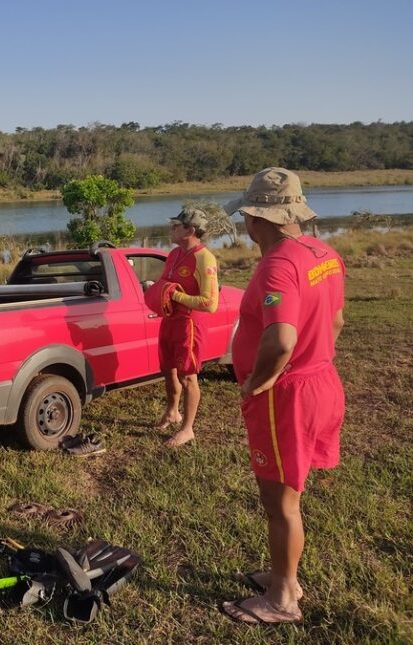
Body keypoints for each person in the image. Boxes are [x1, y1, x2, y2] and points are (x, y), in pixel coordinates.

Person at [221, 168, 345, 625]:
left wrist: (260, 380)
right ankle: (283, 575)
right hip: (321, 381)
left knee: (279, 503)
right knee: (288, 495)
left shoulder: (278, 264)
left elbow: (281, 339)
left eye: (247, 217)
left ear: (257, 217)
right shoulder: (323, 252)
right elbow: (336, 322)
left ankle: (281, 599)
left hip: (286, 394)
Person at [155, 207, 219, 447]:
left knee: (188, 377)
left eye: (175, 226)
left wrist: (178, 297)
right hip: (169, 320)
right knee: (168, 369)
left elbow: (210, 303)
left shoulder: (205, 258)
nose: (170, 230)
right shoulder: (173, 254)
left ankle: (187, 428)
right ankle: (173, 412)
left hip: (190, 324)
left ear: (190, 231)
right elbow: (165, 283)